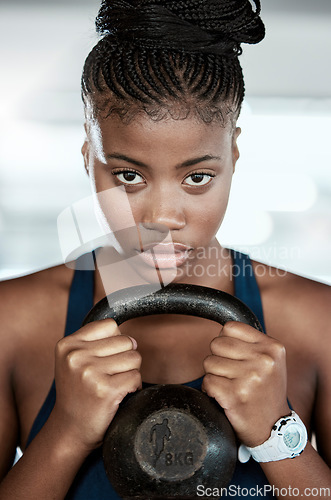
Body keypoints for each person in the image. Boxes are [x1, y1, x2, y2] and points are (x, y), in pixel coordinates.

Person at [0, 0, 330, 498]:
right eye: (128, 176)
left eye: (198, 177)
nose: (162, 218)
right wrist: (65, 432)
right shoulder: (13, 322)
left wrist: (276, 436)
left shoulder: (318, 322)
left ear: (233, 156)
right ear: (90, 156)